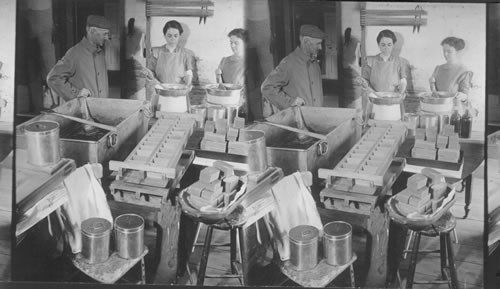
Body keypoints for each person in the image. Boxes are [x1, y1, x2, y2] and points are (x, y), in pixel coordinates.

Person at [261, 24, 325, 117]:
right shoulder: (288, 63)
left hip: (316, 119)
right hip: (299, 121)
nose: (321, 48)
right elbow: (267, 87)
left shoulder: (315, 63)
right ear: (305, 41)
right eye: (318, 44)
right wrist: (290, 103)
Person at [47, 15, 112, 100]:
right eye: (104, 34)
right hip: (82, 111)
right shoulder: (74, 53)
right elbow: (53, 78)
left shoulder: (101, 54)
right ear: (92, 31)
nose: (107, 38)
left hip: (100, 109)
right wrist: (75, 94)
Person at [360, 29, 407, 121]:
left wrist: (402, 87)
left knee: (394, 127)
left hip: (393, 102)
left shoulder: (399, 61)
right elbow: (364, 80)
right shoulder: (370, 61)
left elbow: (403, 80)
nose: (386, 48)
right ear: (378, 45)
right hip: (375, 101)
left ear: (393, 45)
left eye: (389, 45)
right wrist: (366, 87)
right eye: (383, 45)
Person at [147, 20, 194, 85]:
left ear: (180, 35)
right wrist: (152, 78)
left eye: (175, 36)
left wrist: (188, 79)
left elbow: (189, 73)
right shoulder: (156, 52)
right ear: (164, 35)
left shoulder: (186, 54)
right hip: (160, 90)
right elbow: (150, 72)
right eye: (169, 36)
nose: (172, 38)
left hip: (179, 91)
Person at [429, 36, 472, 104]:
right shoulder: (438, 68)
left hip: (454, 109)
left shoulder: (463, 71)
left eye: (449, 51)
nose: (445, 54)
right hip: (438, 106)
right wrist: (431, 84)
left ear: (457, 52)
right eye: (444, 51)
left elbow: (465, 95)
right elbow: (434, 93)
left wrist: (463, 96)